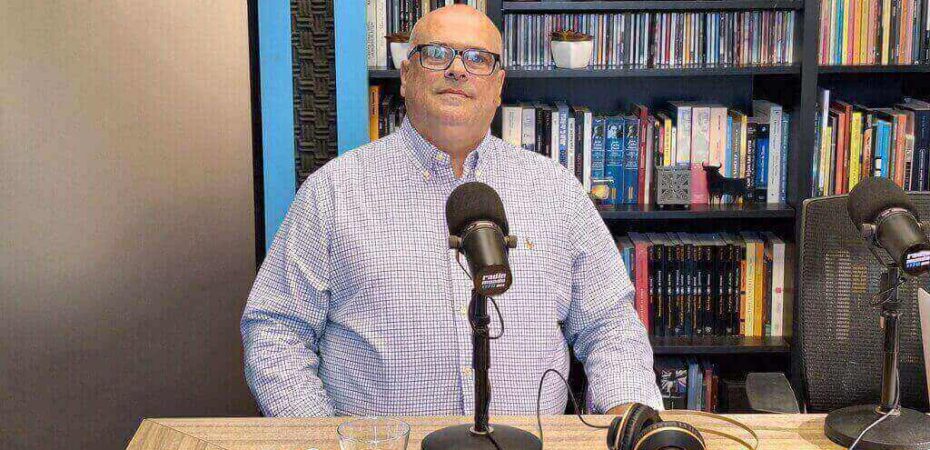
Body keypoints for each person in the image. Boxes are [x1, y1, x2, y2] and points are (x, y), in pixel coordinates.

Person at [240, 4, 662, 417]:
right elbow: (276, 331)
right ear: (406, 75)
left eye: (478, 59)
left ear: (498, 86)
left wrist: (631, 419)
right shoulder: (332, 192)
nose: (458, 70)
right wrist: (324, 440)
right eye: (438, 54)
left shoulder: (556, 190)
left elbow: (610, 324)